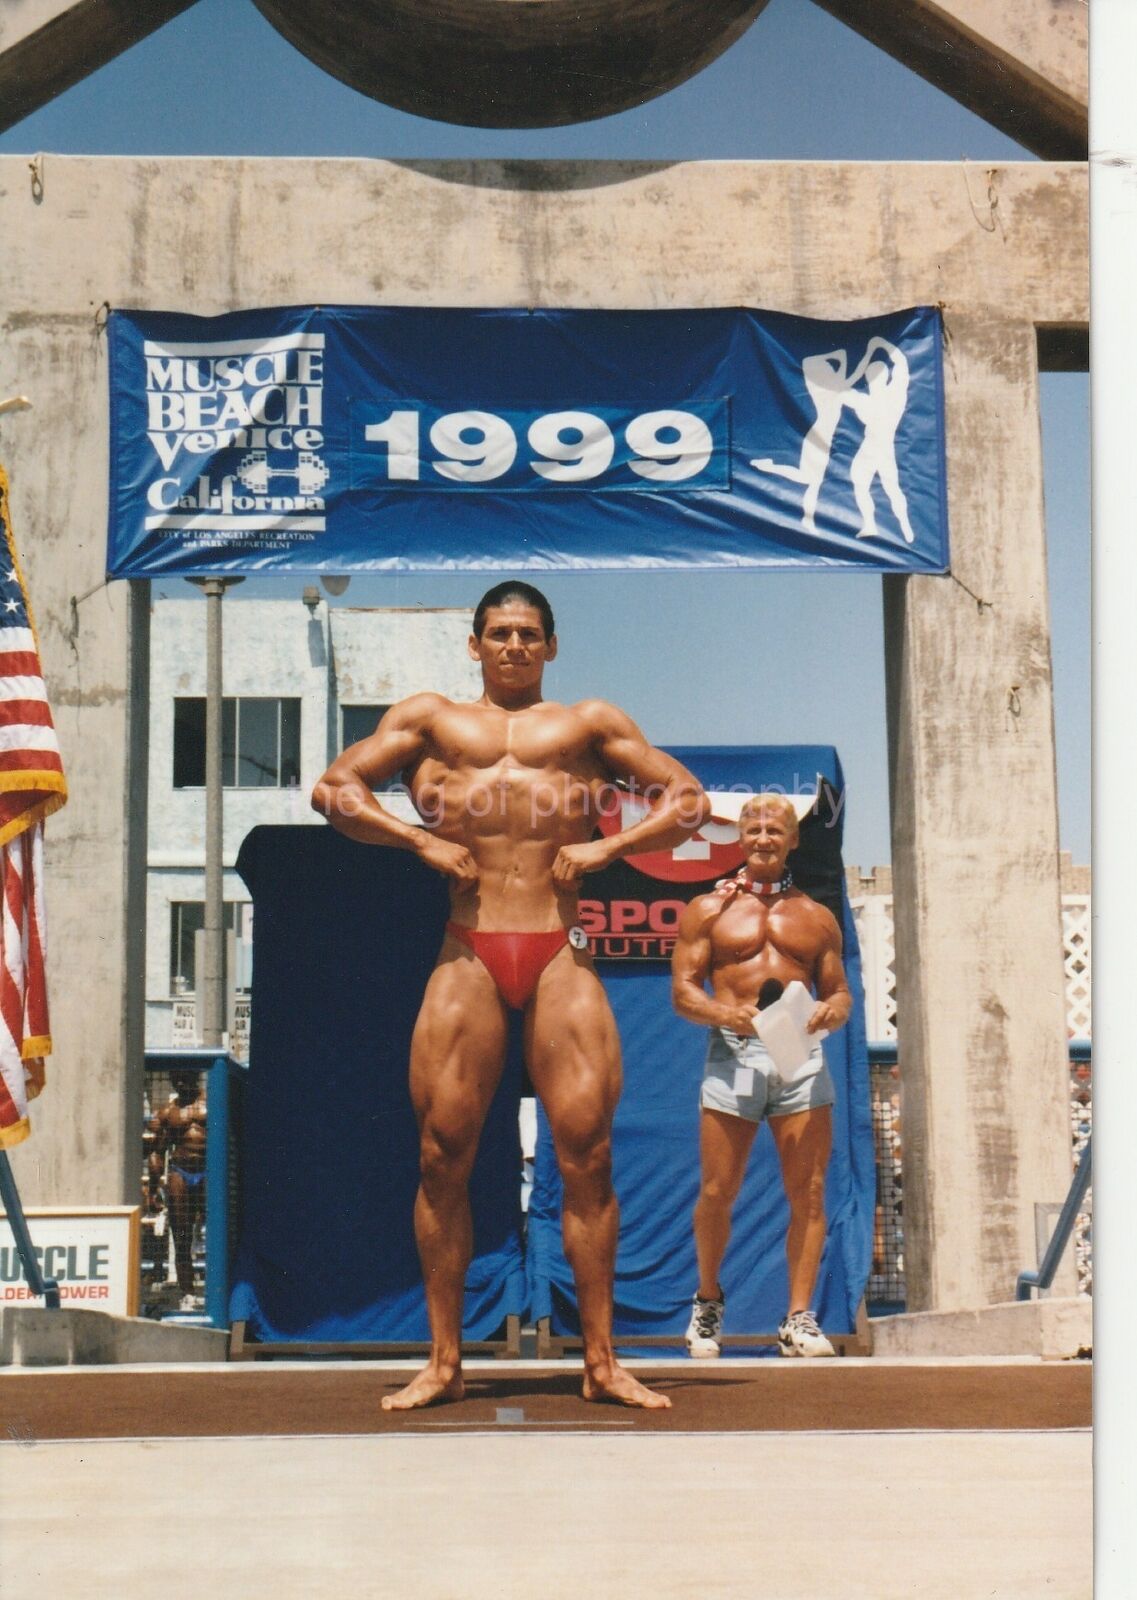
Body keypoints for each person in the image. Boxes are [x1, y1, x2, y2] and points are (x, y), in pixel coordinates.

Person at [312, 580, 709, 1409]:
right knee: (440, 1153)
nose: (514, 647)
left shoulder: (588, 724)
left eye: (529, 634)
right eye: (499, 633)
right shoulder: (430, 721)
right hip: (468, 943)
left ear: (551, 646)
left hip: (562, 946)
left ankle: (601, 1363)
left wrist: (612, 851)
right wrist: (414, 840)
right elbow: (333, 791)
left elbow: (688, 800)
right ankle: (444, 1360)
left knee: (588, 1154)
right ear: (474, 644)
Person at [670, 792, 852, 1358]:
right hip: (733, 1054)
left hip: (799, 1055)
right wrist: (727, 1014)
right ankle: (706, 1302)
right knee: (719, 1190)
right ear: (740, 839)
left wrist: (830, 1013)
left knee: (811, 1192)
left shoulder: (816, 916)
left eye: (776, 830)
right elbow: (681, 992)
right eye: (754, 831)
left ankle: (798, 1317)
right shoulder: (709, 910)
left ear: (793, 838)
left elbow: (840, 993)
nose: (765, 839)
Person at [147, 1068, 207, 1311]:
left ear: (196, 1078)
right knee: (181, 1234)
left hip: (209, 1170)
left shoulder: (213, 1104)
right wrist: (153, 1189)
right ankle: (188, 1292)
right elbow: (157, 1151)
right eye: (176, 1079)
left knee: (219, 1233)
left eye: (186, 1078)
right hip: (180, 1171)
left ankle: (219, 1289)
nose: (181, 1083)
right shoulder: (167, 1113)